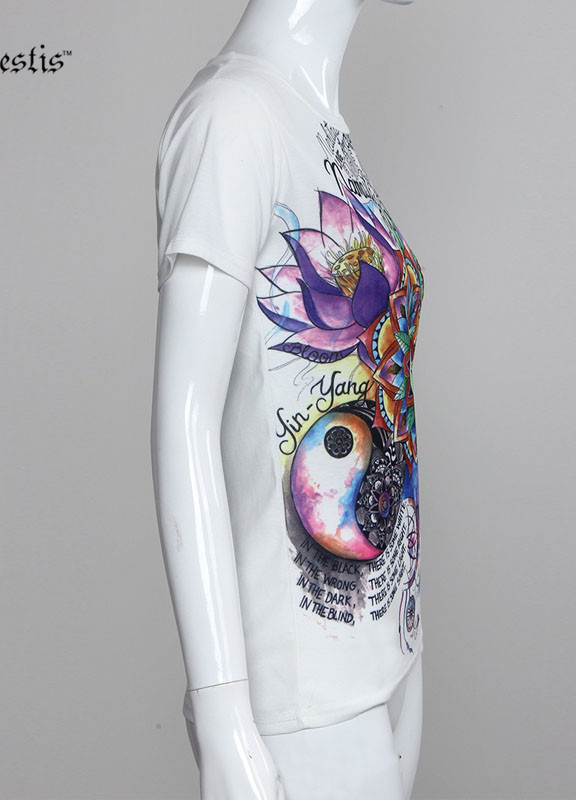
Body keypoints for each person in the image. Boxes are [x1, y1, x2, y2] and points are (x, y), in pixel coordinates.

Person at [152, 1, 424, 797]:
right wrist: (223, 713)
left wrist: (412, 652)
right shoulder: (233, 116)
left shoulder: (318, 125)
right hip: (301, 693)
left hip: (385, 647)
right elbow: (185, 417)